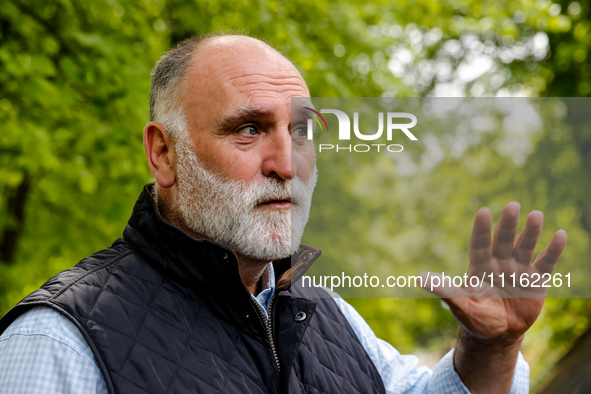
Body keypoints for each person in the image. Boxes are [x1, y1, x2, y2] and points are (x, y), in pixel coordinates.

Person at [0, 33, 566, 393]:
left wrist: (491, 349)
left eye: (299, 130)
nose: (286, 163)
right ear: (163, 153)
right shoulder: (60, 341)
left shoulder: (329, 316)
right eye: (249, 129)